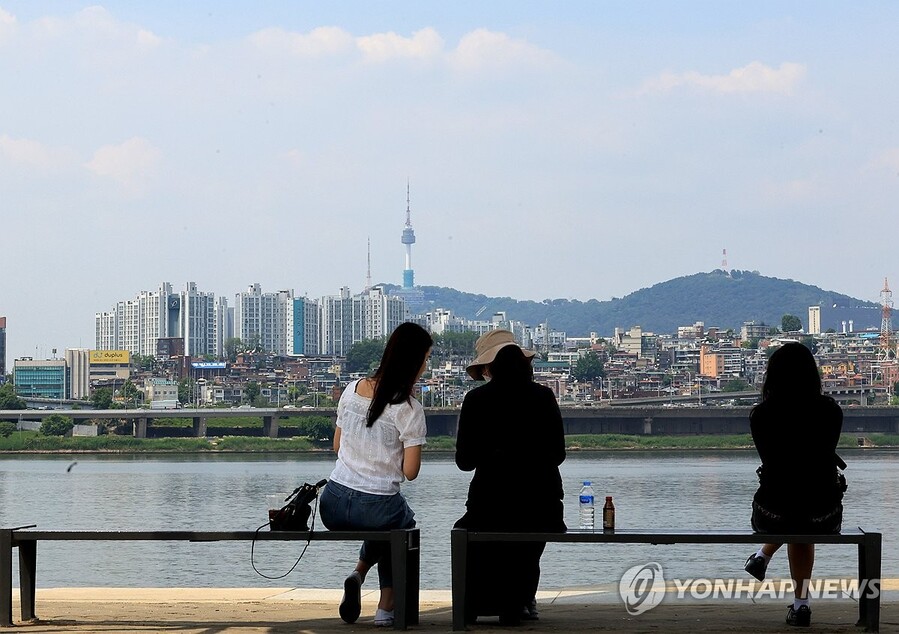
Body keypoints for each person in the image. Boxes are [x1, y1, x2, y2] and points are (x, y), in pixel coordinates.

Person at [319, 322, 433, 628]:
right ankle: (385, 607)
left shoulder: (352, 389)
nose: (426, 365)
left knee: (384, 519)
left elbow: (336, 445)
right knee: (400, 521)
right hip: (375, 508)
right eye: (426, 358)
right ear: (414, 360)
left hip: (331, 503)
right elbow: (410, 473)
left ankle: (359, 573)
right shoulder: (408, 408)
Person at [454, 329, 566, 626]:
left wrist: (493, 454)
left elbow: (464, 462)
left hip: (488, 506)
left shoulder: (476, 400)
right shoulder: (544, 397)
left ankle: (483, 601)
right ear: (525, 365)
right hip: (542, 507)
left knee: (471, 530)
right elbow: (558, 455)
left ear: (488, 368)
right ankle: (520, 599)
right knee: (526, 536)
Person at [742, 342, 845, 628]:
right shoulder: (830, 412)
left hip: (772, 512)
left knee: (790, 510)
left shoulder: (761, 415)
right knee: (803, 518)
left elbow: (773, 464)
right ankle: (800, 605)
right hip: (822, 512)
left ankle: (763, 555)